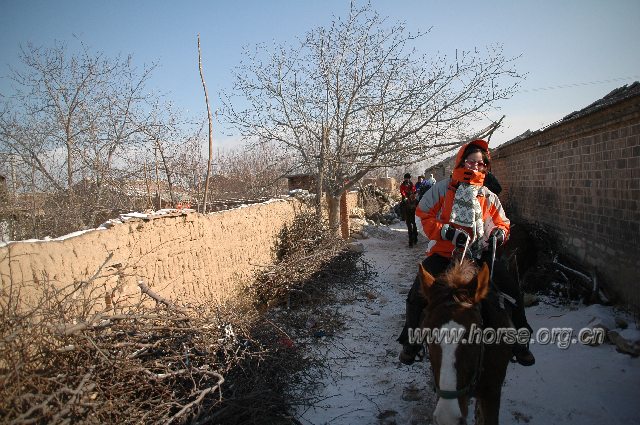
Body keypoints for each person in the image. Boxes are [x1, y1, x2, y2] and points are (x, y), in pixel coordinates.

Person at [397, 139, 535, 367]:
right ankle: (411, 342)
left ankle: (520, 341)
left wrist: (499, 233)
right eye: (471, 162)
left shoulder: (488, 196)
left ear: (486, 167)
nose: (475, 168)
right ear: (462, 161)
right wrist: (447, 232)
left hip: (479, 256)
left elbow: (502, 222)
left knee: (510, 290)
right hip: (444, 255)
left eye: (480, 164)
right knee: (417, 294)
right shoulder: (441, 189)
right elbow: (422, 217)